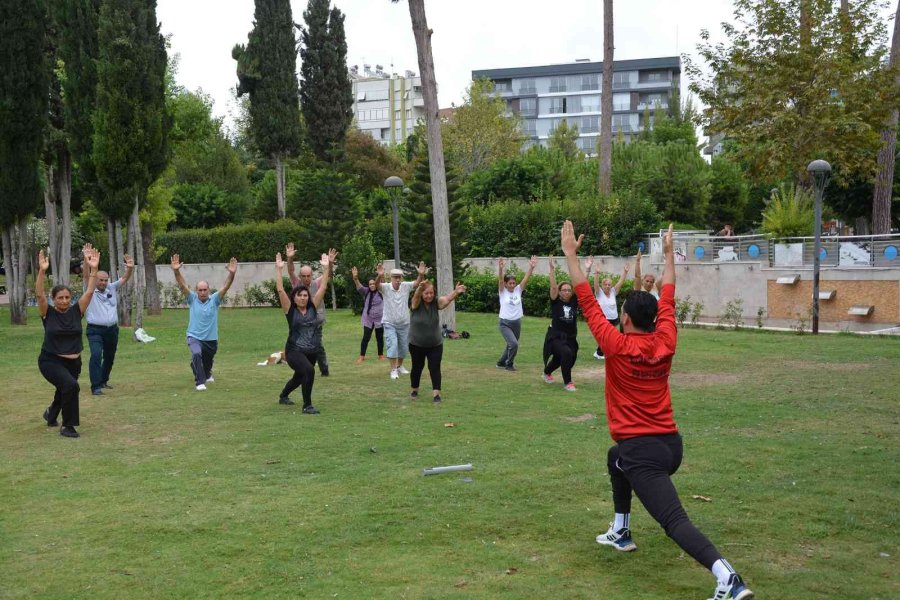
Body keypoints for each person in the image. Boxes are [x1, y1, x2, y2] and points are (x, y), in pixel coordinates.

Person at [560, 220, 754, 600]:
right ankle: (620, 530)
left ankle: (727, 578)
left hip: (644, 451)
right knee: (615, 458)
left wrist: (570, 254)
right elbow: (669, 293)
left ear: (626, 319)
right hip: (670, 446)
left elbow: (584, 295)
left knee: (674, 521)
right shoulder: (667, 337)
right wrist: (668, 256)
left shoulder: (615, 344)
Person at [36, 244, 100, 438]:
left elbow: (89, 292)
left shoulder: (76, 311)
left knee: (65, 387)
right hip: (51, 360)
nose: (64, 301)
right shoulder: (48, 313)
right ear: (53, 299)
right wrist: (42, 271)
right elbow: (39, 294)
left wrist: (94, 269)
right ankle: (68, 427)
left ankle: (51, 414)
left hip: (74, 361)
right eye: (60, 298)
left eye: (67, 297)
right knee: (71, 386)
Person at [275, 251, 332, 413]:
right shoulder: (290, 310)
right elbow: (280, 289)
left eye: (305, 295)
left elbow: (323, 286)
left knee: (300, 377)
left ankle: (283, 395)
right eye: (299, 295)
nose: (303, 298)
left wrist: (326, 267)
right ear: (294, 297)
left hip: (311, 351)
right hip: (294, 351)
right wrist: (279, 269)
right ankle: (307, 406)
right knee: (309, 371)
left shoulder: (313, 307)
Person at [171, 254, 237, 391]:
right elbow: (182, 285)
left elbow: (226, 286)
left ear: (209, 290)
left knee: (207, 364)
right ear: (197, 291)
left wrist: (232, 274)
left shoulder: (214, 300)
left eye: (205, 290)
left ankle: (206, 373)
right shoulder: (192, 299)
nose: (202, 292)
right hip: (194, 336)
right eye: (200, 290)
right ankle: (200, 383)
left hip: (211, 340)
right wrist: (176, 271)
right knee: (196, 354)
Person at [408, 279, 466, 403]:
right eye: (426, 293)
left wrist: (456, 292)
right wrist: (419, 288)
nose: (429, 296)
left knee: (434, 367)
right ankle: (414, 389)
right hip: (416, 343)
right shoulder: (416, 303)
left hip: (435, 344)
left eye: (431, 293)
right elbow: (416, 298)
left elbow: (447, 299)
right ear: (422, 293)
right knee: (417, 367)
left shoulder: (436, 302)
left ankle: (436, 394)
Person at [85, 254, 134, 396]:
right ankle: (95, 387)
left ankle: (103, 380)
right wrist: (87, 261)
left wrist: (129, 268)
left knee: (109, 356)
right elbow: (87, 276)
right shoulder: (89, 290)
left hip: (112, 330)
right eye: (100, 280)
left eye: (105, 280)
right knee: (95, 355)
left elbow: (124, 279)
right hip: (95, 330)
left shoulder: (111, 288)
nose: (103, 283)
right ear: (96, 280)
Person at [286, 243, 334, 376]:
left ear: (311, 275)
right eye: (304, 276)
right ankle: (304, 368)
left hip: (316, 322)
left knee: (317, 345)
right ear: (300, 276)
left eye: (308, 276)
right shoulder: (297, 284)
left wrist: (329, 263)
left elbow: (327, 275)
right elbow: (290, 271)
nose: (306, 278)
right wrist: (289, 258)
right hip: (300, 322)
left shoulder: (317, 283)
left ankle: (324, 369)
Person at [375, 262, 426, 380]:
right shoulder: (386, 287)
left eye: (399, 277)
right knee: (392, 345)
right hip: (389, 323)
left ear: (402, 278)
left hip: (404, 323)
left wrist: (421, 274)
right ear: (391, 278)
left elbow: (418, 283)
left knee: (403, 347)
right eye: (395, 277)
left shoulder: (406, 286)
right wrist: (379, 275)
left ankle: (399, 366)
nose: (397, 279)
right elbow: (377, 285)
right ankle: (393, 370)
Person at [542, 256, 582, 392]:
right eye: (564, 290)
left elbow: (579, 284)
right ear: (559, 292)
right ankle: (568, 383)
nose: (566, 292)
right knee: (565, 353)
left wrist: (581, 268)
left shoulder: (574, 302)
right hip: (556, 337)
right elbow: (553, 286)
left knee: (565, 358)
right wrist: (551, 270)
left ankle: (547, 372)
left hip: (570, 337)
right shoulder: (556, 302)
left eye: (569, 290)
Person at [496, 256, 537, 371]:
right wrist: (500, 269)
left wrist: (531, 267)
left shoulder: (518, 290)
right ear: (505, 284)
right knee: (513, 344)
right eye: (510, 283)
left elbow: (526, 278)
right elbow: (500, 280)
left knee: (511, 344)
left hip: (517, 322)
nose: (512, 285)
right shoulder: (502, 291)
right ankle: (509, 364)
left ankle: (500, 363)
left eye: (514, 283)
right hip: (505, 323)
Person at [591, 262, 629, 360]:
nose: (607, 286)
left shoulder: (613, 291)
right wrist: (596, 273)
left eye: (609, 284)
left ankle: (600, 352)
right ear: (602, 285)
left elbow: (620, 282)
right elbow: (595, 284)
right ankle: (599, 353)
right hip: (604, 319)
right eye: (605, 284)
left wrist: (625, 272)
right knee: (606, 336)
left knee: (608, 337)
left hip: (614, 319)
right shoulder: (599, 293)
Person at [352, 265, 384, 363]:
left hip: (379, 319)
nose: (372, 285)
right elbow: (359, 286)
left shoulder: (382, 291)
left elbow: (383, 282)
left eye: (374, 283)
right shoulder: (366, 292)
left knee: (379, 338)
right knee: (366, 338)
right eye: (370, 284)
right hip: (368, 319)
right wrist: (355, 278)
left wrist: (381, 275)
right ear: (368, 285)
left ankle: (381, 355)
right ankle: (362, 356)